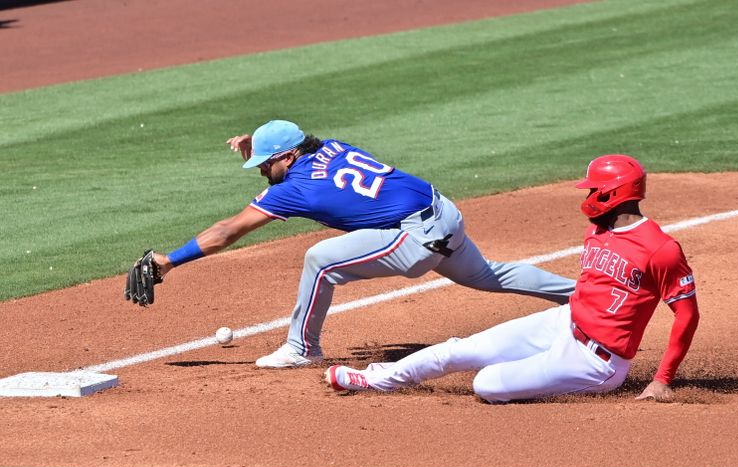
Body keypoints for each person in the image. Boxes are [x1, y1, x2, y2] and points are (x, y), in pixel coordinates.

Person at [134, 119, 575, 368]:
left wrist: (169, 260)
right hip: (444, 212)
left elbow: (226, 232)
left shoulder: (293, 188)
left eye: (265, 164)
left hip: (416, 238)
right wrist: (257, 146)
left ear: (288, 157)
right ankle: (581, 294)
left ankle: (302, 348)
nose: (261, 171)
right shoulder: (330, 146)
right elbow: (301, 155)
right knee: (488, 275)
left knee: (320, 260)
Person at [325, 154, 700, 402]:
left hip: (597, 363)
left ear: (614, 193)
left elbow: (687, 315)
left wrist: (662, 379)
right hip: (564, 322)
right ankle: (376, 379)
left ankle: (548, 378)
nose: (587, 196)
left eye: (592, 189)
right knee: (462, 349)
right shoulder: (598, 231)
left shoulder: (660, 249)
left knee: (485, 384)